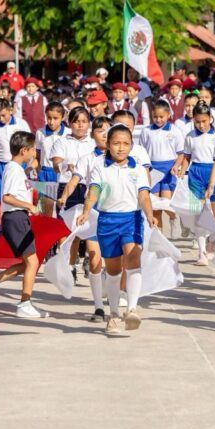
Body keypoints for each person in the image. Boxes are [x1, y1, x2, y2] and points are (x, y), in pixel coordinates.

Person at [76, 125, 157, 335]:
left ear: (131, 145)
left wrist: (149, 214)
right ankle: (112, 315)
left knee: (133, 256)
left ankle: (131, 309)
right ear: (108, 145)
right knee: (113, 271)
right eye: (116, 143)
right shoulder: (100, 167)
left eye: (126, 144)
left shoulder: (137, 168)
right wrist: (86, 211)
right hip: (107, 221)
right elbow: (93, 191)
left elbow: (144, 195)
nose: (121, 148)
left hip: (132, 219)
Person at [0, 131, 48, 319]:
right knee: (32, 262)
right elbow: (7, 197)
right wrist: (29, 206)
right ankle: (25, 303)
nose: (34, 152)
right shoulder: (12, 169)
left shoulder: (16, 169)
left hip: (18, 218)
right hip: (16, 218)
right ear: (24, 150)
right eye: (33, 149)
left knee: (29, 263)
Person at [59, 116, 112, 322]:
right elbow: (74, 181)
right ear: (92, 135)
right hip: (93, 213)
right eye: (100, 131)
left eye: (108, 131)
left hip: (117, 213)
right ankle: (98, 307)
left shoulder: (121, 159)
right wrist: (64, 195)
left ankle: (115, 294)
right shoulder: (88, 159)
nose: (104, 135)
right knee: (94, 255)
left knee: (116, 260)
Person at [172, 102, 215, 265]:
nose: (201, 125)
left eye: (204, 121)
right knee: (196, 212)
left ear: (211, 119)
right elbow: (187, 157)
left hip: (214, 172)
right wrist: (182, 170)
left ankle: (212, 241)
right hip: (195, 174)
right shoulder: (190, 136)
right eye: (197, 122)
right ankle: (201, 252)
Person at [138, 100, 184, 234]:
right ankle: (159, 237)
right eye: (155, 116)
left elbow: (181, 153)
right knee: (155, 206)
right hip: (152, 170)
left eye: (161, 116)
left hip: (169, 170)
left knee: (166, 203)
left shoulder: (175, 131)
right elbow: (142, 151)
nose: (158, 119)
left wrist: (176, 166)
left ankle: (174, 218)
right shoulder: (146, 131)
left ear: (168, 115)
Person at [35, 102, 67, 216]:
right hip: (46, 173)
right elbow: (37, 155)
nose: (51, 122)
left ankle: (62, 233)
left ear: (62, 117)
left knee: (62, 209)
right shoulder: (40, 133)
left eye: (55, 118)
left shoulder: (68, 133)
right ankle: (48, 232)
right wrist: (36, 171)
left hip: (63, 173)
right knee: (46, 209)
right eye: (49, 118)